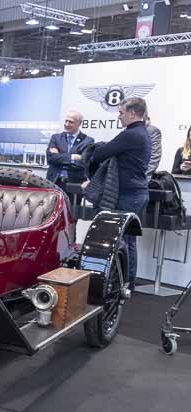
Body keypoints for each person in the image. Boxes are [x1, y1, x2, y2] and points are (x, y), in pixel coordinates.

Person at [86, 97, 151, 291]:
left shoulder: (130, 135)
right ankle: (127, 283)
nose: (119, 116)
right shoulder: (142, 133)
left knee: (121, 240)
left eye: (121, 112)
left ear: (132, 113)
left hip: (127, 195)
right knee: (128, 241)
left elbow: (99, 154)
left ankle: (121, 284)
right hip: (137, 193)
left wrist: (99, 147)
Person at [46, 110, 95, 192]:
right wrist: (73, 157)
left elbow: (83, 163)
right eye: (66, 121)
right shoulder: (56, 138)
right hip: (54, 182)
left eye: (71, 122)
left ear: (79, 123)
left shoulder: (88, 141)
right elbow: (51, 158)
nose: (67, 124)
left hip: (74, 184)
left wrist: (59, 157)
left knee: (72, 205)